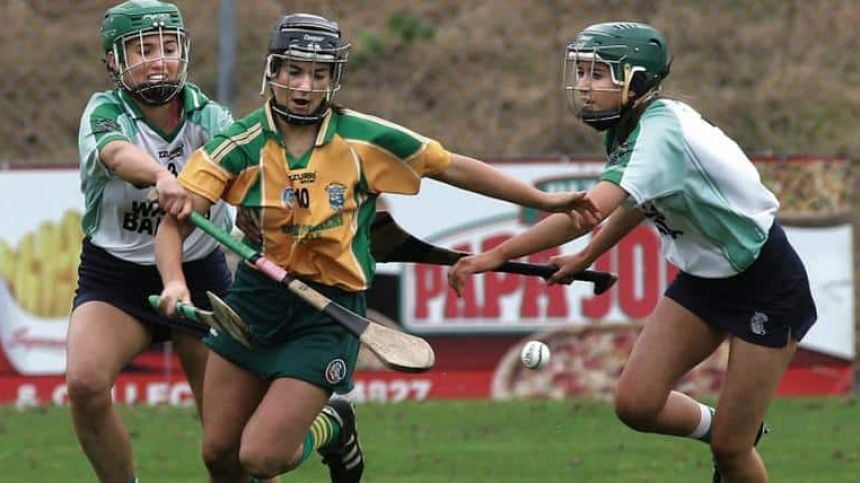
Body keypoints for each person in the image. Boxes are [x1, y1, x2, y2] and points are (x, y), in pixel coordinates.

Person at [153, 12, 598, 483]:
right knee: (220, 455)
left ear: (334, 79)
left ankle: (334, 426)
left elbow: (454, 168)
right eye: (295, 71)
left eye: (319, 74)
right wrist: (174, 281)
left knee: (261, 458)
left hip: (327, 313)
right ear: (273, 71)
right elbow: (175, 221)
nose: (305, 86)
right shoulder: (239, 145)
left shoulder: (363, 139)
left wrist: (543, 199)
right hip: (254, 303)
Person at [448, 22, 817, 483]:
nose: (584, 86)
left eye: (598, 74)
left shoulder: (659, 136)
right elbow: (640, 201)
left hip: (765, 284)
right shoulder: (630, 125)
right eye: (581, 73)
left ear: (637, 81)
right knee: (636, 404)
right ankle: (734, 428)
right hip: (703, 282)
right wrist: (586, 255)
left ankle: (734, 435)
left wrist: (496, 255)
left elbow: (587, 211)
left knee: (730, 449)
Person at [65, 2, 251, 482]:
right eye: (142, 50)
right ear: (114, 61)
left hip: (201, 271)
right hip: (116, 278)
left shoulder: (209, 116)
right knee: (85, 385)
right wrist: (161, 178)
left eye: (168, 48)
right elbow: (116, 153)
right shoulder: (104, 111)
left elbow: (241, 169)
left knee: (227, 442)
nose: (158, 60)